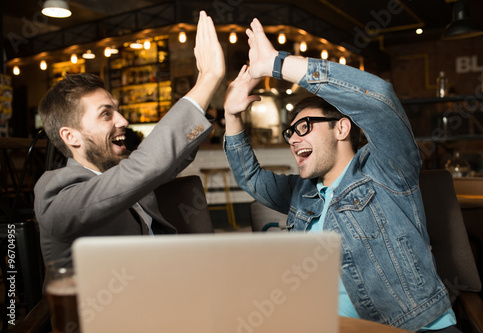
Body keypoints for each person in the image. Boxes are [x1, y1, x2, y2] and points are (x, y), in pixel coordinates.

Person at [223, 18, 458, 332]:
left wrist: (277, 64)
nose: (293, 138)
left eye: (304, 127)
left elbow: (379, 98)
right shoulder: (303, 193)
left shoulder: (385, 171)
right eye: (290, 132)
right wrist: (231, 115)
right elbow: (251, 179)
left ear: (342, 128)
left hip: (411, 327)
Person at [34, 11, 225, 267]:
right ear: (71, 136)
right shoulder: (54, 193)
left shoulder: (117, 171)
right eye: (106, 114)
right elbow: (144, 166)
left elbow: (173, 157)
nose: (123, 120)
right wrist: (208, 78)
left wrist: (228, 112)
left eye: (118, 109)